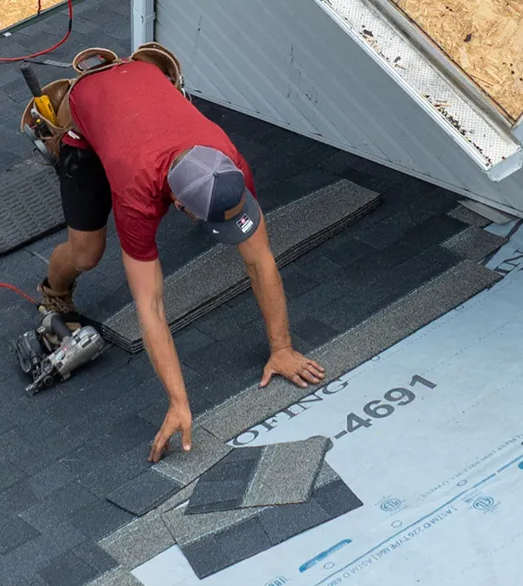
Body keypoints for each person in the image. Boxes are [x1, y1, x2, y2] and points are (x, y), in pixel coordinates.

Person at [37, 57, 325, 463]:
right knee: (88, 252)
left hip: (140, 88)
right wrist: (178, 402)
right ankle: (53, 294)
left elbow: (260, 261)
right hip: (87, 125)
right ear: (176, 203)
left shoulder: (229, 164)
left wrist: (282, 348)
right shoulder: (136, 195)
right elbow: (150, 306)